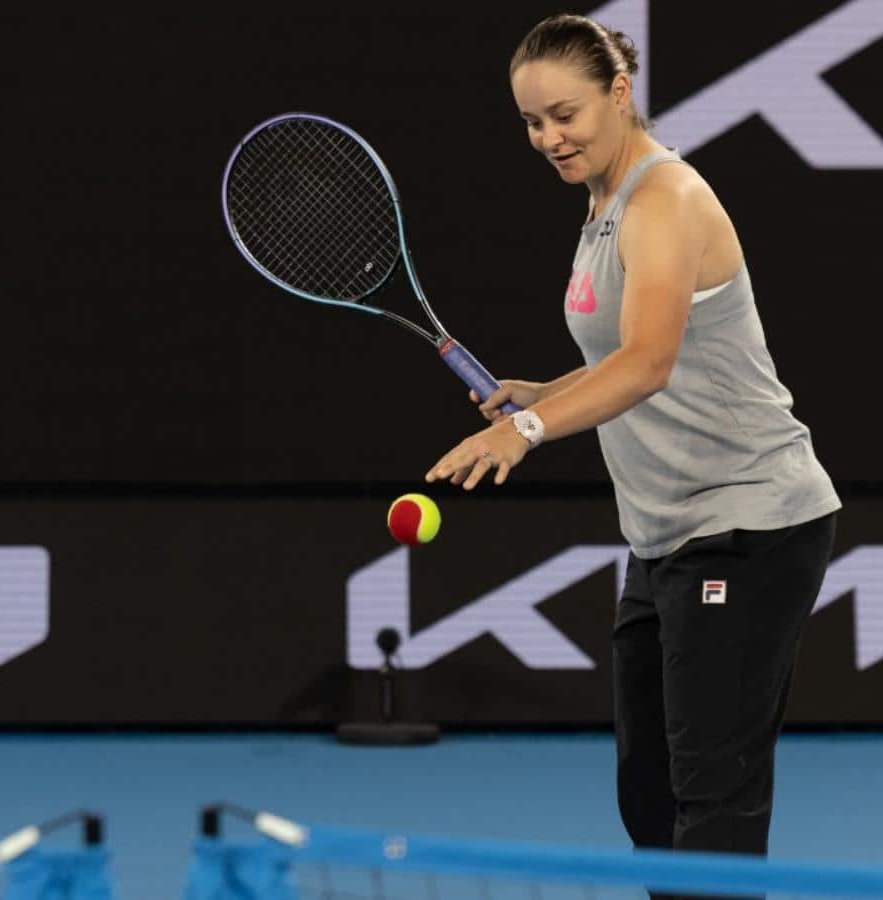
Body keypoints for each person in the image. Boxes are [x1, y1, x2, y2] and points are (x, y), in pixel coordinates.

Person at [425, 14, 840, 862]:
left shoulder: (666, 199)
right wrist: (547, 390)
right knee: (648, 794)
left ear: (619, 93)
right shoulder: (602, 204)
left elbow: (648, 364)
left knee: (711, 795)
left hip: (749, 524)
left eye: (564, 115)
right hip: (664, 534)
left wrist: (528, 431)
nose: (548, 138)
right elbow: (636, 354)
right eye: (532, 123)